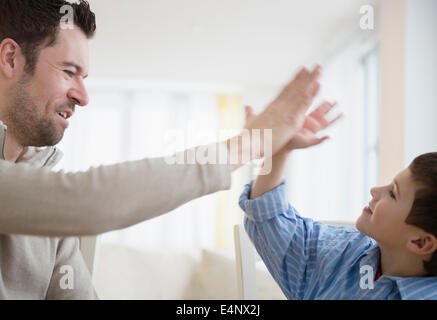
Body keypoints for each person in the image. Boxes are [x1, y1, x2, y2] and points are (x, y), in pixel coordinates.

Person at [0, 0, 328, 299]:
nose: (83, 96)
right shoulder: (61, 204)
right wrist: (249, 143)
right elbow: (86, 201)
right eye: (69, 72)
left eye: (84, 77)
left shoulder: (49, 209)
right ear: (11, 58)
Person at [239, 104, 437, 299]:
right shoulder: (342, 252)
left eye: (393, 194)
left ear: (420, 242)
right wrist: (280, 149)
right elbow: (267, 218)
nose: (375, 190)